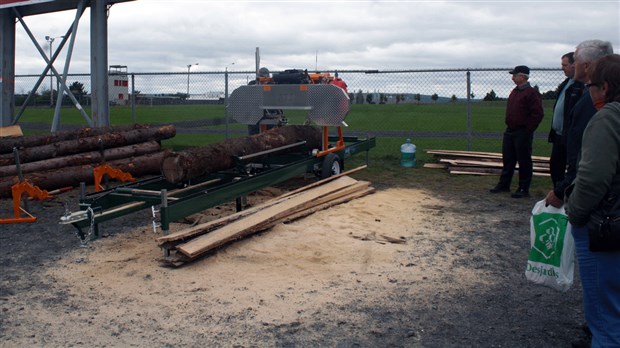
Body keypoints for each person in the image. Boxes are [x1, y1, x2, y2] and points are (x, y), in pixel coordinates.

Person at [565, 53, 620, 348]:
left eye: (592, 85)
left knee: (606, 315)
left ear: (606, 87)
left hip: (606, 228)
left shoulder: (609, 118)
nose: (590, 92)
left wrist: (575, 213)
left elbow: (593, 177)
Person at [545, 40, 614, 209]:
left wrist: (564, 192)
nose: (573, 65)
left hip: (596, 203)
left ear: (587, 66)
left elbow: (587, 160)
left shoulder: (593, 102)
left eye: (575, 60)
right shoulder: (589, 94)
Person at [489, 65, 544, 198]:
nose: (512, 77)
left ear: (523, 77)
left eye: (515, 75)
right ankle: (504, 185)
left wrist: (527, 130)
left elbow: (537, 114)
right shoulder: (515, 91)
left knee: (524, 160)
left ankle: (523, 188)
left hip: (522, 131)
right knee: (508, 159)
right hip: (510, 130)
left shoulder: (531, 93)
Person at [548, 52, 583, 188]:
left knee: (572, 167)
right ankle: (558, 191)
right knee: (555, 166)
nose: (562, 68)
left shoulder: (581, 86)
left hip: (570, 136)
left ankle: (568, 194)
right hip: (558, 135)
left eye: (565, 65)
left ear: (575, 65)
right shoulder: (566, 83)